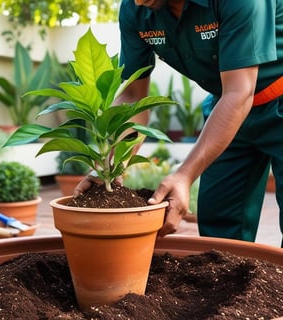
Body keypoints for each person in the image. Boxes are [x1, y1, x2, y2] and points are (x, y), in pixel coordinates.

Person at [74, 0, 283, 247]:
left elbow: (239, 93)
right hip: (227, 108)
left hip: (254, 97)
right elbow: (133, 96)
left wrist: (184, 175)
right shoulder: (135, 9)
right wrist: (111, 165)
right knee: (219, 231)